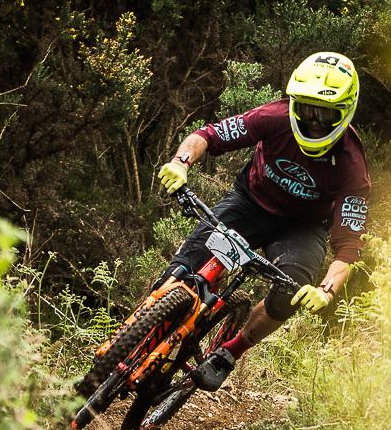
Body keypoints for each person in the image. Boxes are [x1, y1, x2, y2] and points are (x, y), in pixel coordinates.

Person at [154, 51, 370, 391]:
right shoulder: (274, 116)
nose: (312, 120)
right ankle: (137, 339)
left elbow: (348, 246)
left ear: (345, 112)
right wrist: (181, 163)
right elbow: (207, 136)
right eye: (305, 107)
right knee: (180, 271)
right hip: (250, 203)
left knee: (290, 292)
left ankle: (229, 353)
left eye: (324, 112)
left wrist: (326, 291)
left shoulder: (351, 165)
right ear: (292, 102)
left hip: (301, 228)